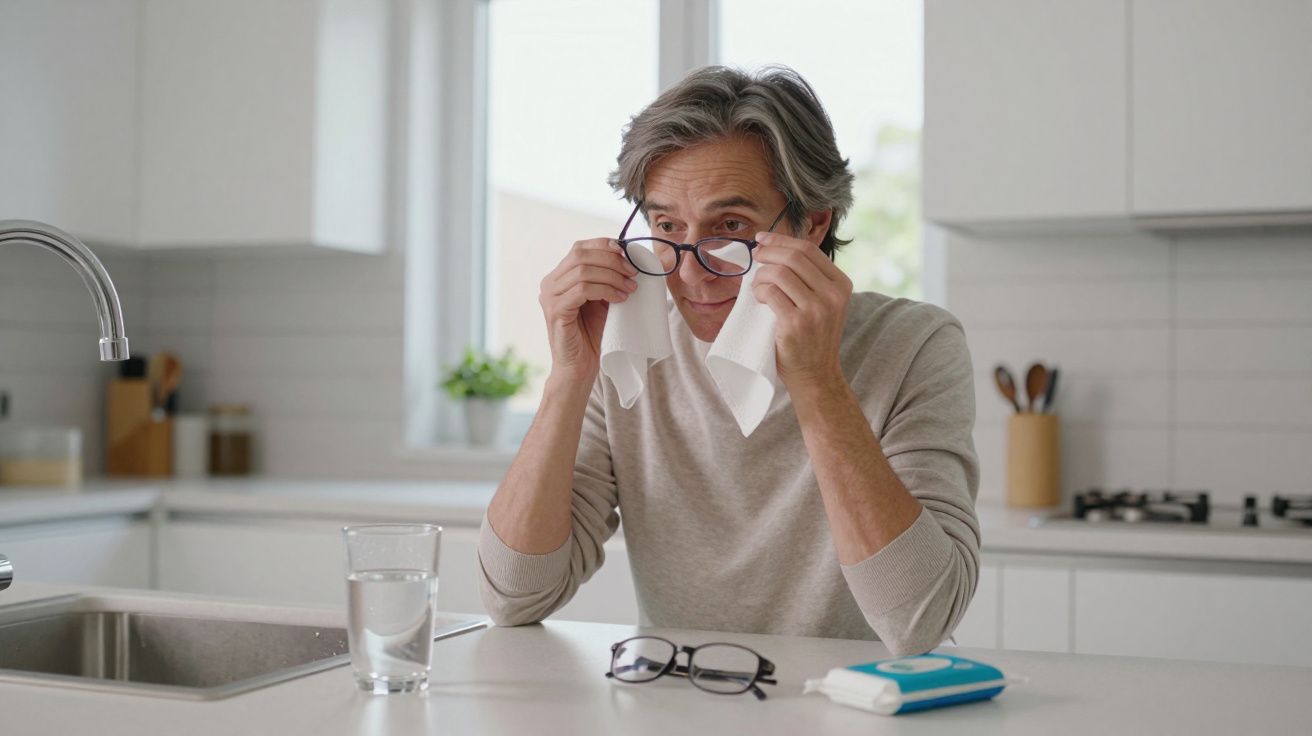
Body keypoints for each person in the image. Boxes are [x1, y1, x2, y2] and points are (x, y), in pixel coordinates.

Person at [476, 65, 979, 655]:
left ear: (812, 224)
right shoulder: (630, 354)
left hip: (862, 708)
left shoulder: (914, 344)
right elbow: (513, 597)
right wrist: (568, 377)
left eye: (730, 227)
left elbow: (921, 620)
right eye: (666, 226)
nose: (688, 273)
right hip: (682, 701)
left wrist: (817, 382)